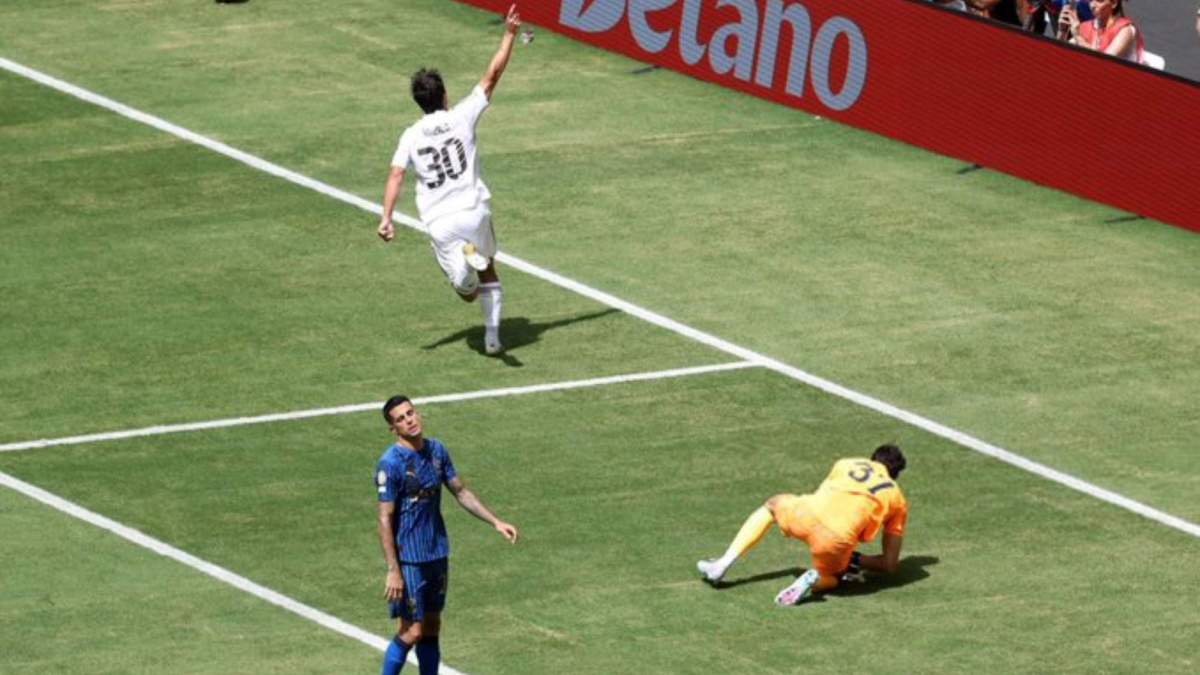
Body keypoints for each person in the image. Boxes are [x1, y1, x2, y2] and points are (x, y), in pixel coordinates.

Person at [377, 4, 522, 356]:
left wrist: (386, 218)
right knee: (488, 271)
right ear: (444, 95)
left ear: (419, 102)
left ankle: (463, 268)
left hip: (440, 222)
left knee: (466, 292)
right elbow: (492, 75)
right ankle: (492, 338)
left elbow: (396, 173)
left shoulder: (411, 134)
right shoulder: (461, 117)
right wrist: (508, 34)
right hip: (474, 211)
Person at [375, 395, 519, 674]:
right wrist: (393, 569)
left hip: (437, 552)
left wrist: (495, 522)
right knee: (411, 631)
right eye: (401, 419)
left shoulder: (437, 451)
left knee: (431, 626)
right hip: (409, 559)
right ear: (394, 429)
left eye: (411, 413)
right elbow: (385, 517)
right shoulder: (390, 464)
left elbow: (460, 491)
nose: (410, 420)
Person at [697, 444, 909, 607]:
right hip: (837, 538)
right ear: (896, 475)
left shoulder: (846, 463)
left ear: (872, 458)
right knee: (835, 575)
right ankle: (816, 579)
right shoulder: (896, 497)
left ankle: (723, 563)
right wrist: (855, 559)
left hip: (806, 513)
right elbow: (889, 564)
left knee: (772, 505)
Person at [1059, 0, 1145, 63]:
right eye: (1091, 0)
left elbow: (1104, 63)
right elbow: (1060, 56)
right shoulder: (1085, 26)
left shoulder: (1125, 30)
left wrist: (1078, 37)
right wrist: (1062, 31)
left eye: (1099, 1)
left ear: (1114, 3)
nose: (1092, 5)